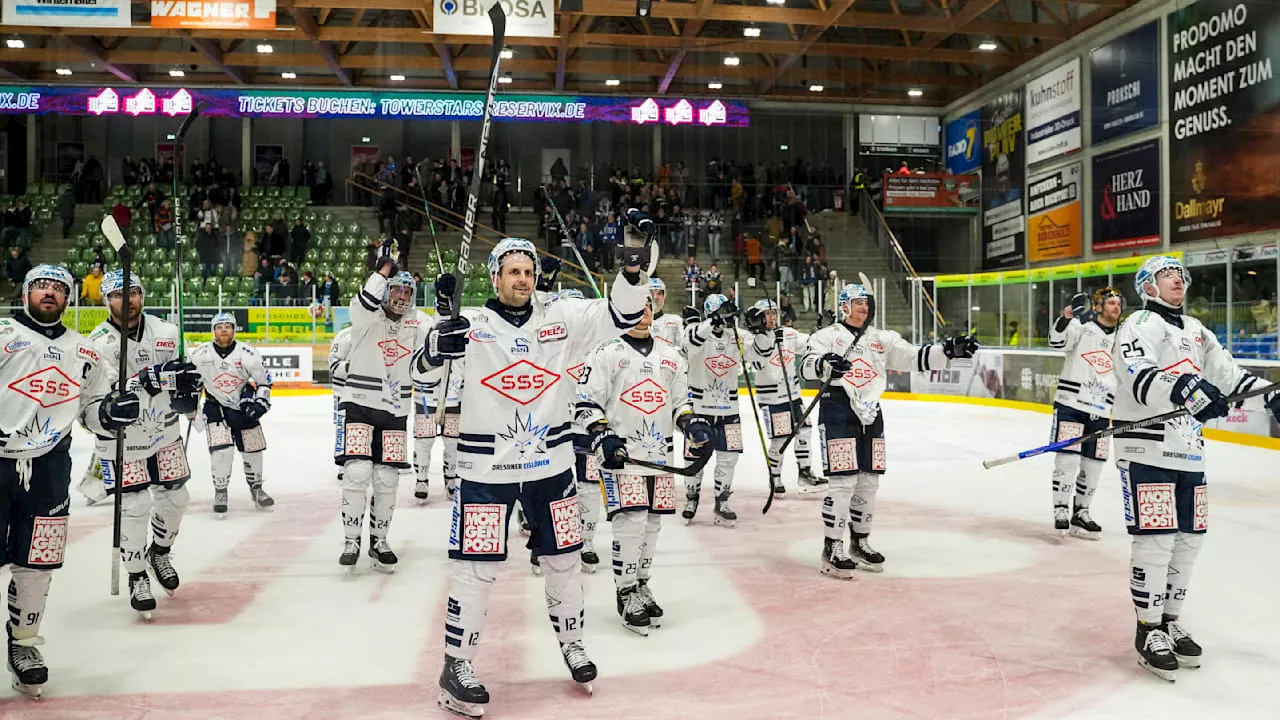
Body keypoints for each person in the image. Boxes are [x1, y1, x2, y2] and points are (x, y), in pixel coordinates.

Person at [423, 238, 649, 716]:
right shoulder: (471, 325)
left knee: (565, 561)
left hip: (551, 467)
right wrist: (436, 341)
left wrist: (631, 272)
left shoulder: (560, 318)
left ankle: (573, 643)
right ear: (495, 277)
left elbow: (620, 316)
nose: (522, 279)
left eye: (528, 271)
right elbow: (421, 373)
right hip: (486, 470)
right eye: (512, 272)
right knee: (476, 570)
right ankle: (456, 665)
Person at [1112, 255, 1280, 681]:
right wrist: (1186, 386)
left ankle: (1170, 620)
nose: (1177, 281)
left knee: (1189, 539)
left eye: (1180, 275)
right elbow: (1139, 376)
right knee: (1156, 541)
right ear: (1146, 286)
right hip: (1146, 449)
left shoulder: (1198, 331)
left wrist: (1268, 397)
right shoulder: (1138, 326)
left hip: (1189, 450)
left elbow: (1230, 378)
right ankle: (1147, 629)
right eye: (1166, 275)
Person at [800, 283, 978, 576]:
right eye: (857, 302)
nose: (864, 307)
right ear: (844, 305)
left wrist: (948, 350)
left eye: (866, 302)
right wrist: (823, 364)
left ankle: (860, 542)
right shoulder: (826, 336)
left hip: (872, 414)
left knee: (869, 482)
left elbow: (914, 357)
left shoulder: (882, 338)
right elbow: (805, 366)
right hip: (837, 410)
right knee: (843, 483)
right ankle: (832, 547)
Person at [0, 265, 106, 698]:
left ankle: (23, 644)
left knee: (38, 563)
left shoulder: (87, 352)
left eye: (59, 288)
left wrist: (112, 414)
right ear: (26, 293)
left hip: (49, 466)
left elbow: (95, 411)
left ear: (69, 298)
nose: (50, 293)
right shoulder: (3, 333)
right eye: (41, 286)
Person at [575, 296, 710, 635]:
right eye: (635, 306)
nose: (642, 313)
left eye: (647, 307)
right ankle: (625, 591)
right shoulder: (605, 352)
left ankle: (641, 584)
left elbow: (680, 403)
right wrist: (602, 434)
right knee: (631, 522)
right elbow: (585, 402)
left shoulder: (671, 356)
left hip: (659, 457)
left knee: (652, 525)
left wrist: (691, 424)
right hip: (622, 457)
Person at [83, 271, 201, 618]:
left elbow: (188, 374)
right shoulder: (97, 344)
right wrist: (142, 381)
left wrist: (188, 389)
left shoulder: (167, 332)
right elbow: (100, 397)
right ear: (106, 301)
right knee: (134, 508)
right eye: (118, 294)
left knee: (177, 498)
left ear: (142, 295)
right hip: (122, 439)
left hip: (165, 432)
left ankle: (160, 552)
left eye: (133, 292)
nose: (127, 300)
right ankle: (137, 575)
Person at [335, 260, 430, 574]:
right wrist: (381, 273)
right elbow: (364, 299)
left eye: (407, 291)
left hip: (396, 411)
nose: (402, 297)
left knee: (387, 479)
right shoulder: (365, 317)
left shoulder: (417, 322)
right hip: (359, 404)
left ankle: (380, 540)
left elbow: (443, 334)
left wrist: (446, 304)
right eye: (396, 290)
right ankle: (351, 540)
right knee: (357, 472)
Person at [1046, 287, 1123, 538]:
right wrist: (1066, 316)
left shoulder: (1123, 338)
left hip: (1101, 409)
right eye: (1110, 303)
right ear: (1098, 306)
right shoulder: (1081, 326)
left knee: (1094, 465)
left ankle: (1082, 512)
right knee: (1067, 460)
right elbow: (1056, 341)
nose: (1116, 308)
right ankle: (1060, 509)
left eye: (1118, 304)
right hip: (1071, 404)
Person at [189, 312, 275, 517]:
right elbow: (192, 385)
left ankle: (256, 488)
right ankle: (220, 491)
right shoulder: (200, 355)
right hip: (215, 408)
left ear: (235, 329)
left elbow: (263, 381)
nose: (224, 330)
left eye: (228, 326)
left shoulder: (248, 352)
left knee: (253, 449)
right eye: (219, 327)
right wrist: (192, 411)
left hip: (243, 407)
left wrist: (261, 402)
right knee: (221, 452)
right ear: (213, 331)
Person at [744, 299, 825, 494]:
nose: (772, 317)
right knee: (780, 439)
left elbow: (809, 343)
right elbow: (759, 357)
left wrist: (822, 331)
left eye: (774, 313)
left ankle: (805, 472)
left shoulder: (788, 334)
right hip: (772, 399)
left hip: (793, 396)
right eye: (767, 314)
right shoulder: (752, 339)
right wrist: (762, 334)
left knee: (804, 430)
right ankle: (775, 476)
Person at [681, 293, 743, 527]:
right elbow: (690, 344)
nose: (726, 319)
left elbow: (760, 356)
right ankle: (691, 498)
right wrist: (711, 323)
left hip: (730, 409)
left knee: (729, 458)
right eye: (722, 313)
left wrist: (760, 330)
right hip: (700, 408)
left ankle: (722, 501)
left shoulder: (736, 336)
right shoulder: (694, 331)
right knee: (694, 456)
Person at [648, 278, 683, 350]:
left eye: (659, 293)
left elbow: (683, 346)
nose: (655, 297)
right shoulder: (637, 322)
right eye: (651, 293)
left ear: (664, 296)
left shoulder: (676, 320)